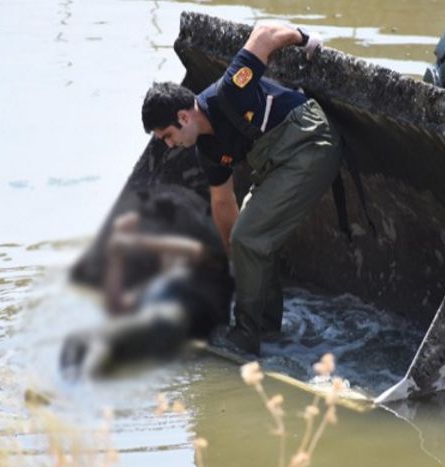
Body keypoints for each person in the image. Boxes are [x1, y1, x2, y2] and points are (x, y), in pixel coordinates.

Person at [141, 24, 341, 355]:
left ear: (183, 116)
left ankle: (246, 334)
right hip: (278, 164)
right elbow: (223, 204)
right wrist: (236, 258)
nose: (169, 145)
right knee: (249, 240)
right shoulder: (206, 150)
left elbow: (264, 34)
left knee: (250, 237)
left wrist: (304, 39)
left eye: (167, 136)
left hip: (311, 143)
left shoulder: (230, 90)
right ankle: (268, 326)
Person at [60, 188, 234, 377]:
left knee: (103, 342)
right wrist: (116, 256)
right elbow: (117, 306)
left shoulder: (203, 265)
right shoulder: (160, 278)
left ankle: (79, 391)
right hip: (154, 322)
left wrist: (134, 242)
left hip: (171, 318)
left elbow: (196, 250)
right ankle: (71, 385)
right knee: (77, 339)